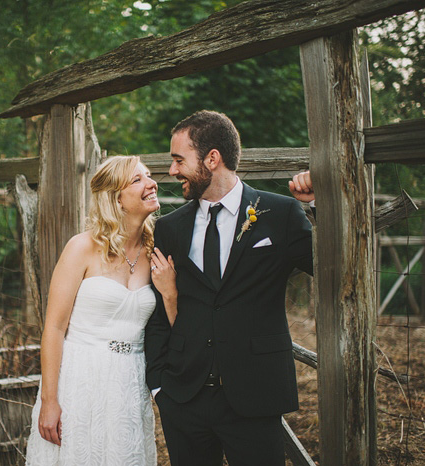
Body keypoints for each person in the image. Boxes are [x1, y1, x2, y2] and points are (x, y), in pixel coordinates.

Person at [145, 110, 315, 465]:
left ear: (212, 158)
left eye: (179, 160)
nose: (172, 171)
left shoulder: (280, 213)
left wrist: (316, 205)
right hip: (184, 398)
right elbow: (159, 312)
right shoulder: (169, 228)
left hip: (254, 397)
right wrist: (161, 386)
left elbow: (331, 270)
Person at [26, 155, 173, 466]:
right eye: (138, 180)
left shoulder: (156, 251)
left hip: (129, 382)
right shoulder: (81, 247)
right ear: (115, 199)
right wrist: (49, 401)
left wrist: (170, 291)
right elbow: (53, 328)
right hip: (80, 379)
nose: (151, 183)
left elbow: (171, 322)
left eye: (148, 176)